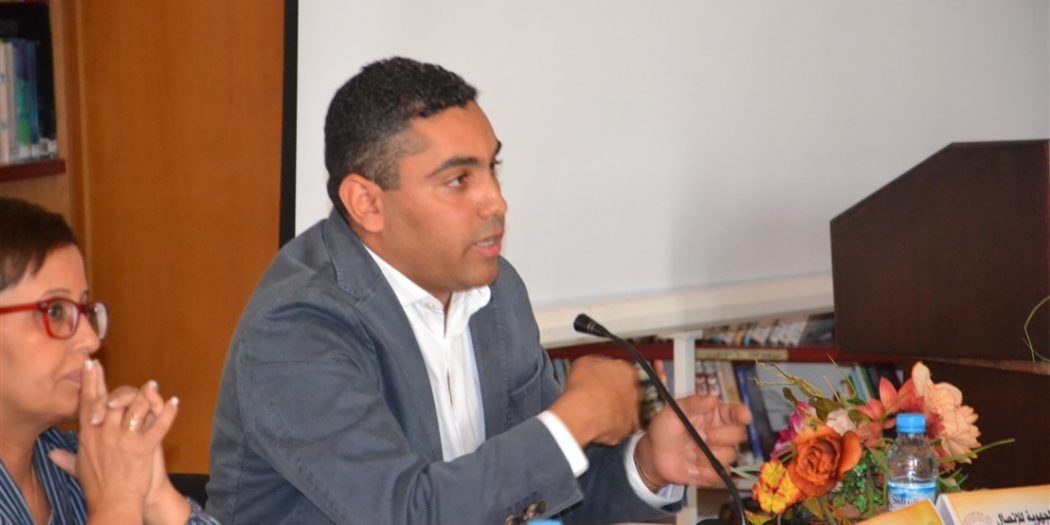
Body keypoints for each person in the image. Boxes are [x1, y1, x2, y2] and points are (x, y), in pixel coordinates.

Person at [207, 57, 751, 524]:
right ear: (367, 203)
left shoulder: (496, 293)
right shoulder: (296, 327)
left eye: (493, 168)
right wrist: (577, 417)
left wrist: (648, 463)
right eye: (458, 180)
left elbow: (531, 487)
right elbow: (409, 513)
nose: (497, 202)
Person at [0, 197, 219, 525]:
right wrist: (117, 505)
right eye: (55, 311)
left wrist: (155, 494)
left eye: (85, 310)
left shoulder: (76, 461)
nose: (90, 339)